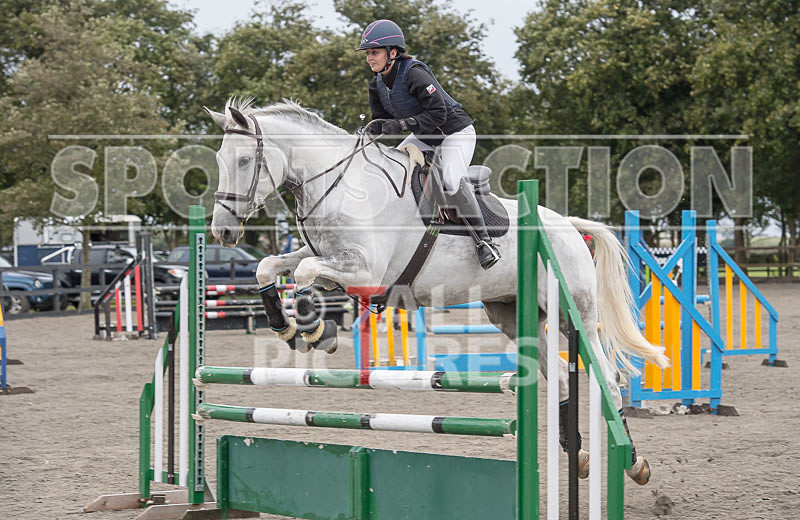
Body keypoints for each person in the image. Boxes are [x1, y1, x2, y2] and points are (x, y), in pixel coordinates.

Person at [356, 19, 501, 270]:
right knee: (393, 169)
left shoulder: (414, 73)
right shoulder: (376, 83)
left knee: (451, 181)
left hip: (455, 133)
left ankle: (484, 242)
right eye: (368, 53)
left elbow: (438, 114)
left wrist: (402, 125)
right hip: (424, 137)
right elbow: (381, 122)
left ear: (393, 53)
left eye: (374, 52)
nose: (369, 58)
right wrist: (365, 134)